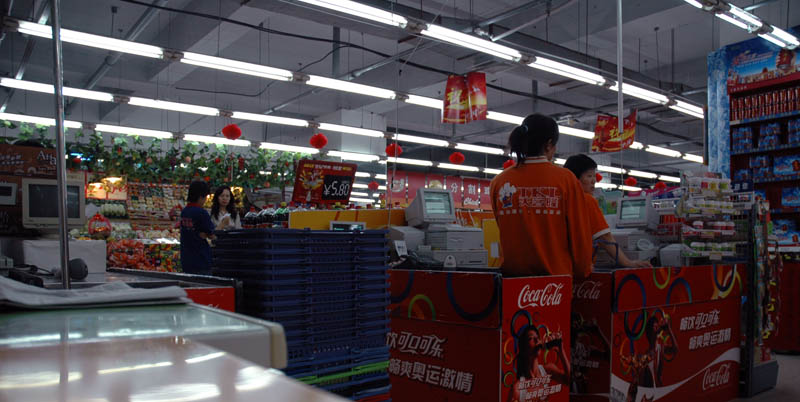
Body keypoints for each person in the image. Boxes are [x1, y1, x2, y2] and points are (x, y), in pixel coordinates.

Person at [490, 113, 593, 278]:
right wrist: (582, 271)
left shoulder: (499, 182)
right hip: (555, 285)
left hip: (512, 282)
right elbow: (579, 234)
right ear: (549, 144)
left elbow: (504, 227)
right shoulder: (566, 180)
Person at [563, 154, 652, 268]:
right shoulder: (587, 200)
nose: (594, 181)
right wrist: (627, 262)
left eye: (594, 176)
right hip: (579, 268)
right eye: (589, 176)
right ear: (575, 178)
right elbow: (605, 237)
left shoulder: (560, 198)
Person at [508, 326, 570, 402]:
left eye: (537, 337)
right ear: (524, 349)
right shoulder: (517, 389)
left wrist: (561, 350)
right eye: (531, 338)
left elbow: (568, 380)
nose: (537, 340)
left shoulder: (547, 370)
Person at [180, 181, 215, 275]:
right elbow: (212, 235)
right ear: (200, 197)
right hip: (201, 260)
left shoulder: (184, 212)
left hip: (186, 260)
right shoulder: (201, 213)